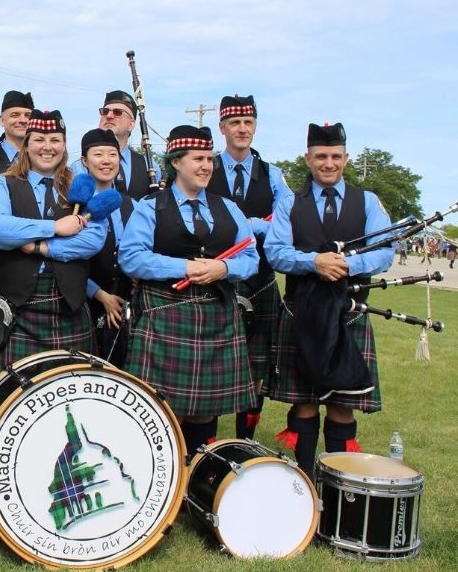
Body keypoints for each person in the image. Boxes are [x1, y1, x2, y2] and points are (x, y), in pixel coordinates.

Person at [264, 122, 394, 480]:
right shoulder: (290, 203)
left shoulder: (367, 202)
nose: (328, 163)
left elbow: (386, 251)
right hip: (302, 314)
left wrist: (351, 264)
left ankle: (338, 485)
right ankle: (304, 481)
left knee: (343, 405)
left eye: (335, 156)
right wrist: (313, 262)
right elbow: (275, 253)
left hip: (350, 315)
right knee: (304, 402)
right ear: (308, 158)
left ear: (346, 159)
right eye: (321, 156)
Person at [119, 124, 259, 455]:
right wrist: (185, 267)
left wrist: (223, 268)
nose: (206, 166)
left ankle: (195, 475)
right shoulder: (150, 206)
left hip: (217, 315)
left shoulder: (229, 208)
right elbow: (131, 257)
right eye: (198, 158)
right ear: (176, 162)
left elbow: (251, 257)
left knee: (206, 408)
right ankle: (163, 476)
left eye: (209, 159)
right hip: (167, 313)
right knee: (163, 408)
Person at [0, 109, 106, 391]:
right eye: (40, 139)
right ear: (27, 143)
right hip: (14, 309)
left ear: (64, 144)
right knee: (5, 398)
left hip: (67, 306)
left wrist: (39, 247)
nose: (48, 147)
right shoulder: (2, 184)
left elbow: (93, 239)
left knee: (70, 394)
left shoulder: (80, 186)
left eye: (56, 139)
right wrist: (55, 228)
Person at [209, 94, 293, 439]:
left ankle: (246, 439)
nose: (241, 129)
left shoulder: (272, 175)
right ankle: (207, 440)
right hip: (214, 278)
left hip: (258, 279)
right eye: (234, 123)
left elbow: (286, 221)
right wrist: (258, 223)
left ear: (255, 126)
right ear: (222, 127)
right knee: (210, 361)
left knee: (254, 366)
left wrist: (247, 223)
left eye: (248, 123)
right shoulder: (205, 165)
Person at [81, 128, 135, 367]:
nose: (106, 161)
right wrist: (101, 296)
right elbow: (65, 261)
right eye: (98, 154)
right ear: (84, 160)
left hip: (125, 304)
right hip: (85, 304)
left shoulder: (132, 204)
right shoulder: (73, 205)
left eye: (112, 154)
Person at [70, 90, 159, 197]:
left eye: (118, 112)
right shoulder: (77, 168)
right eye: (105, 111)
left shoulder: (150, 167)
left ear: (131, 124)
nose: (109, 116)